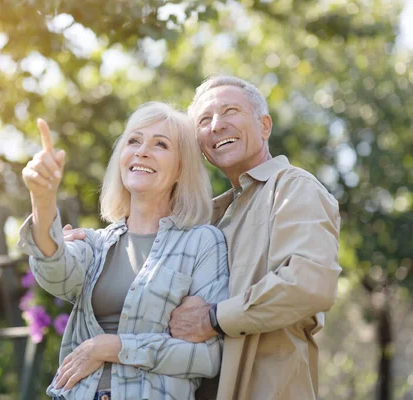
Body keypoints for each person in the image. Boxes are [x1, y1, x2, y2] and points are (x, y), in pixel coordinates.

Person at [63, 76, 341, 400]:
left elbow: (310, 283)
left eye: (230, 111)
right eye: (205, 120)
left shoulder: (293, 187)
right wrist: (94, 248)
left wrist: (213, 317)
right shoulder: (207, 219)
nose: (217, 125)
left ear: (265, 126)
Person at [17, 102, 229, 400]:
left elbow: (207, 358)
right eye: (134, 140)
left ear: (182, 168)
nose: (142, 151)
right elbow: (56, 276)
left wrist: (113, 347)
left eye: (161, 144)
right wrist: (42, 200)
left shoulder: (202, 243)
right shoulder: (95, 243)